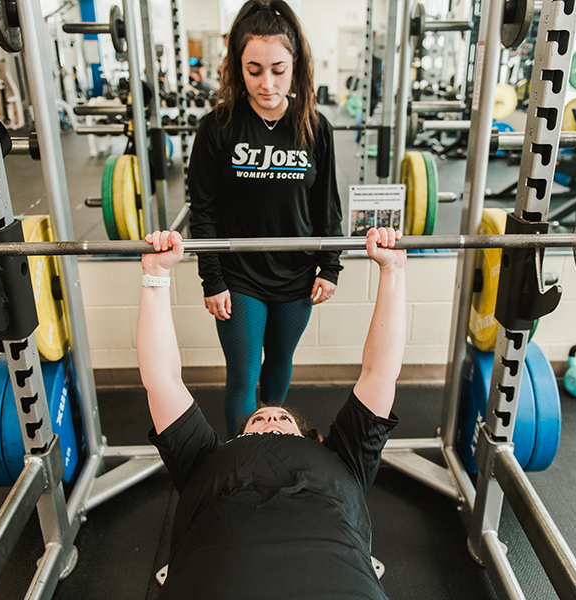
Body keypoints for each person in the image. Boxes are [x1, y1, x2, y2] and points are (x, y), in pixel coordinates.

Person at [137, 227, 406, 600]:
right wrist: (156, 273)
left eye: (275, 418)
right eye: (262, 418)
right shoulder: (208, 459)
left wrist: (393, 267)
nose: (270, 419)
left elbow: (381, 371)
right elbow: (161, 380)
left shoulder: (342, 459)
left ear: (309, 438)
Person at [188, 0, 343, 433]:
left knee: (278, 365)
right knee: (242, 377)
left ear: (296, 66)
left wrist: (330, 267)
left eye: (278, 69)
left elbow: (326, 205)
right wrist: (212, 279)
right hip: (240, 278)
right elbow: (204, 210)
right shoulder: (217, 128)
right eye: (254, 70)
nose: (267, 83)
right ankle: (241, 464)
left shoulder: (314, 126)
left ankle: (275, 449)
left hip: (297, 274)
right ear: (238, 68)